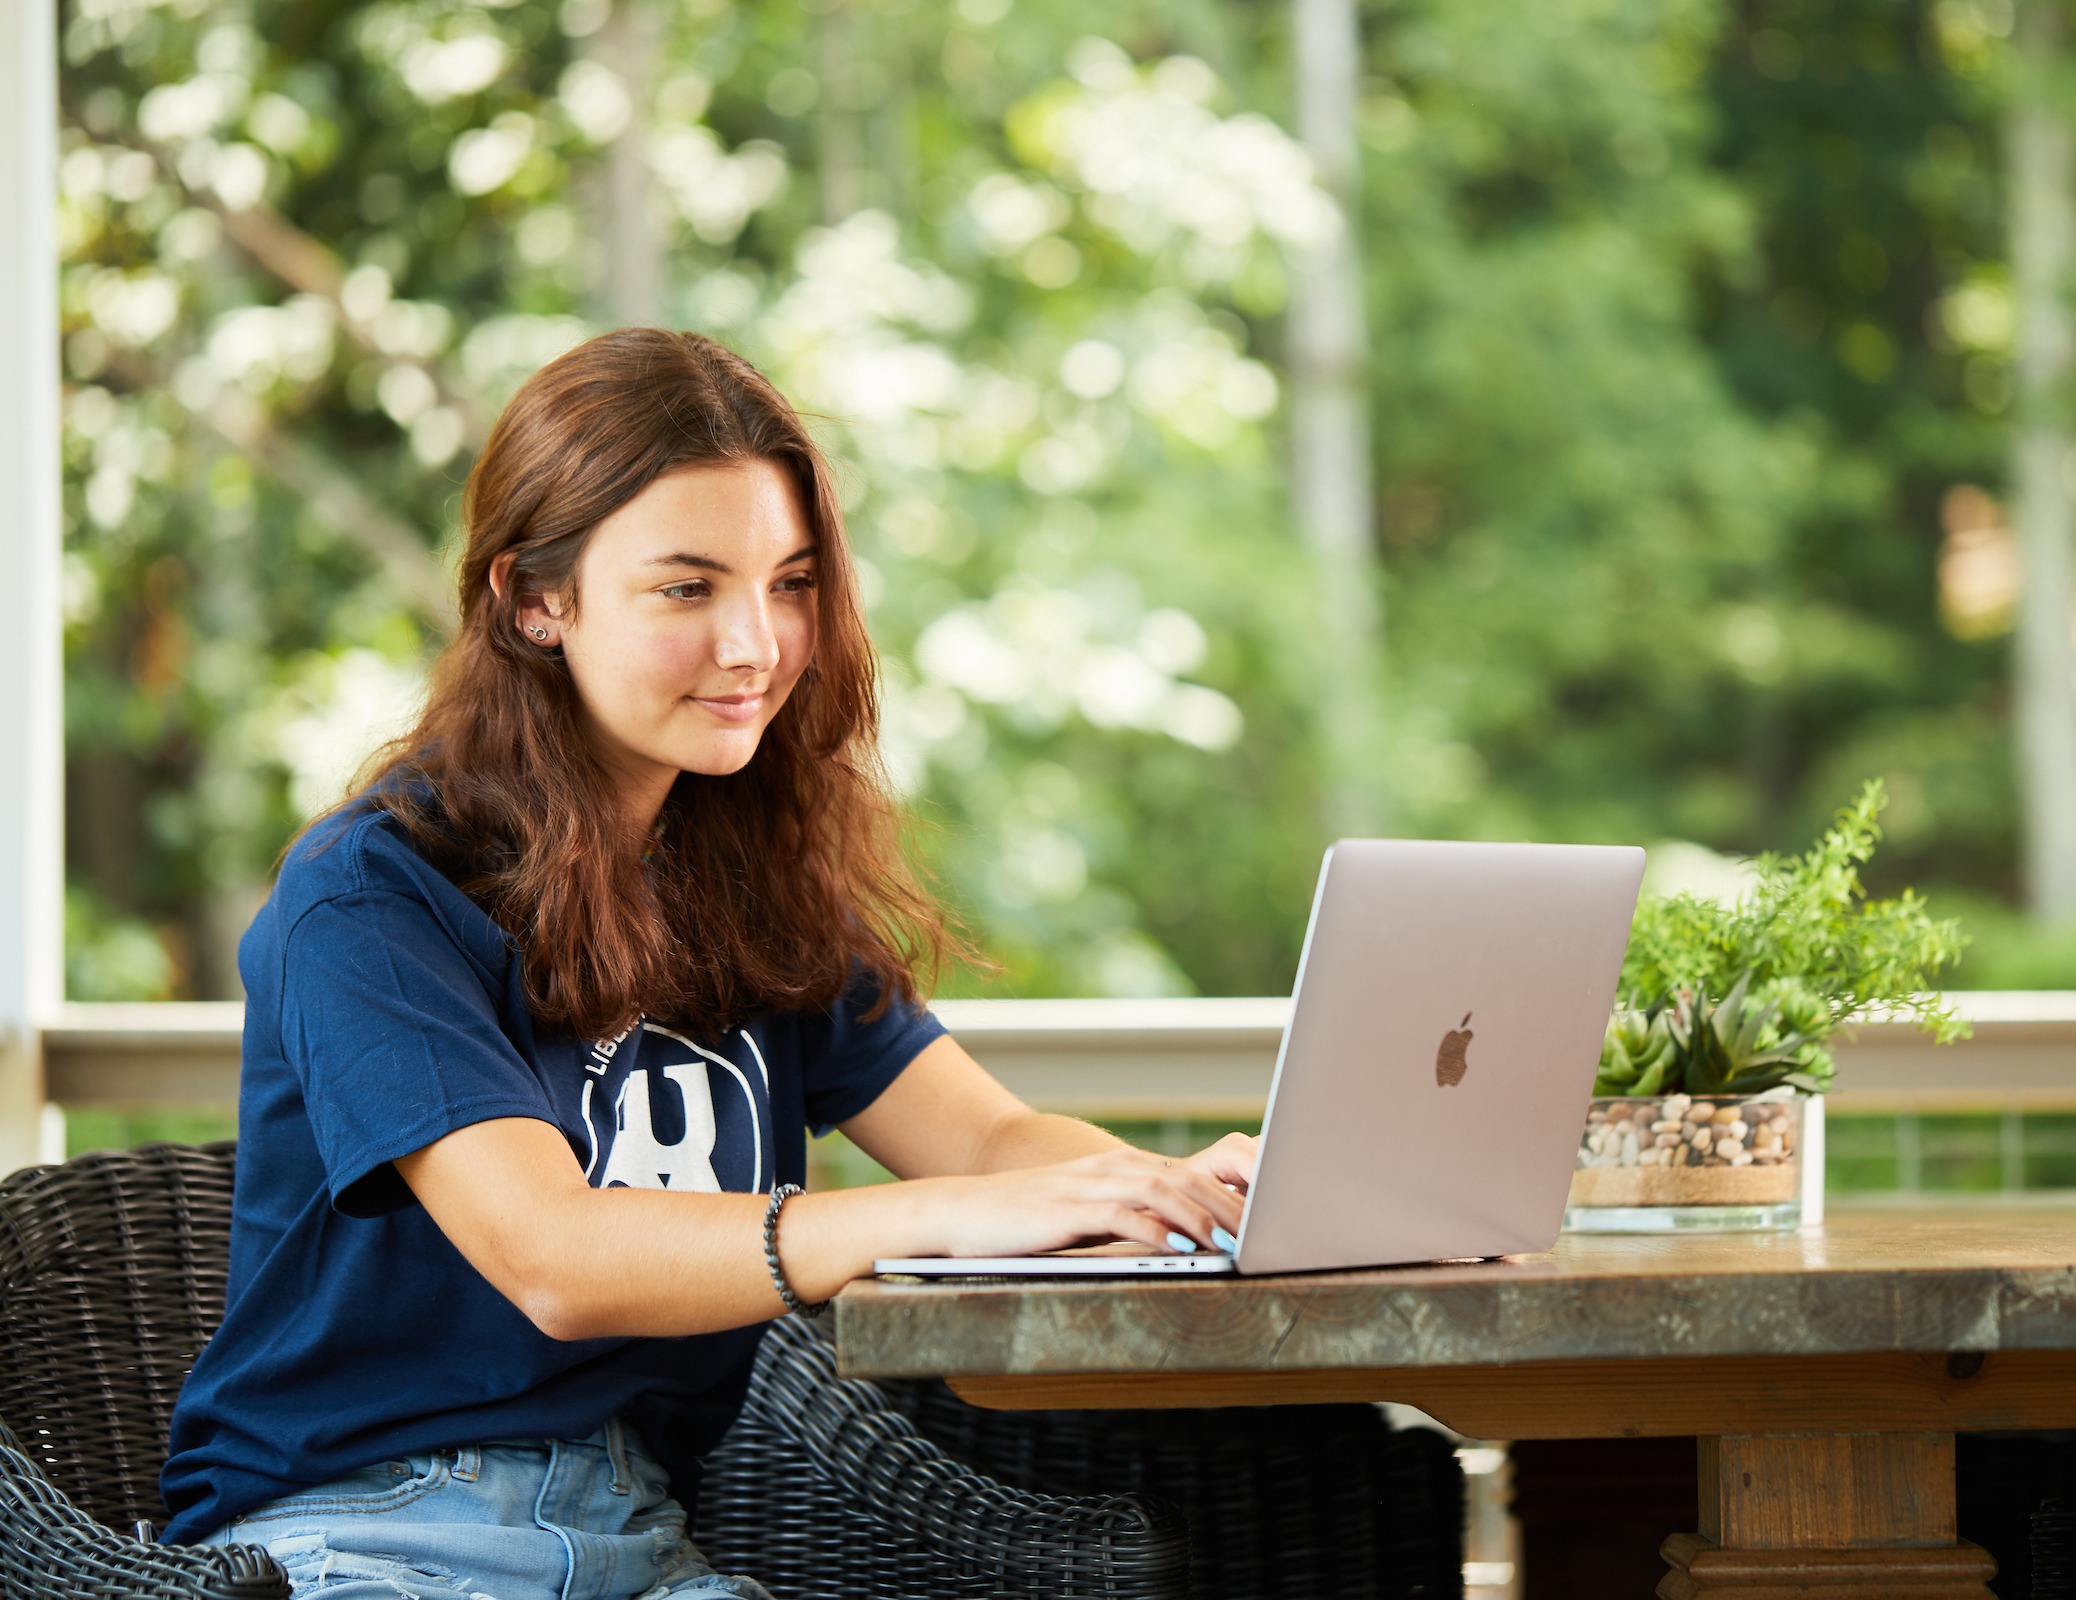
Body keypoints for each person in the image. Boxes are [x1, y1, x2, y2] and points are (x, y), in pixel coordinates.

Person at [158, 329, 1256, 1599]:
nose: (756, 645)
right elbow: (554, 1259)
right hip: (360, 1535)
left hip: (643, 1538)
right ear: (535, 599)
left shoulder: (742, 872)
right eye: (688, 588)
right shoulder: (373, 893)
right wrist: (941, 1218)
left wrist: (1182, 1193)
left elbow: (989, 1144)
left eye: (789, 582)